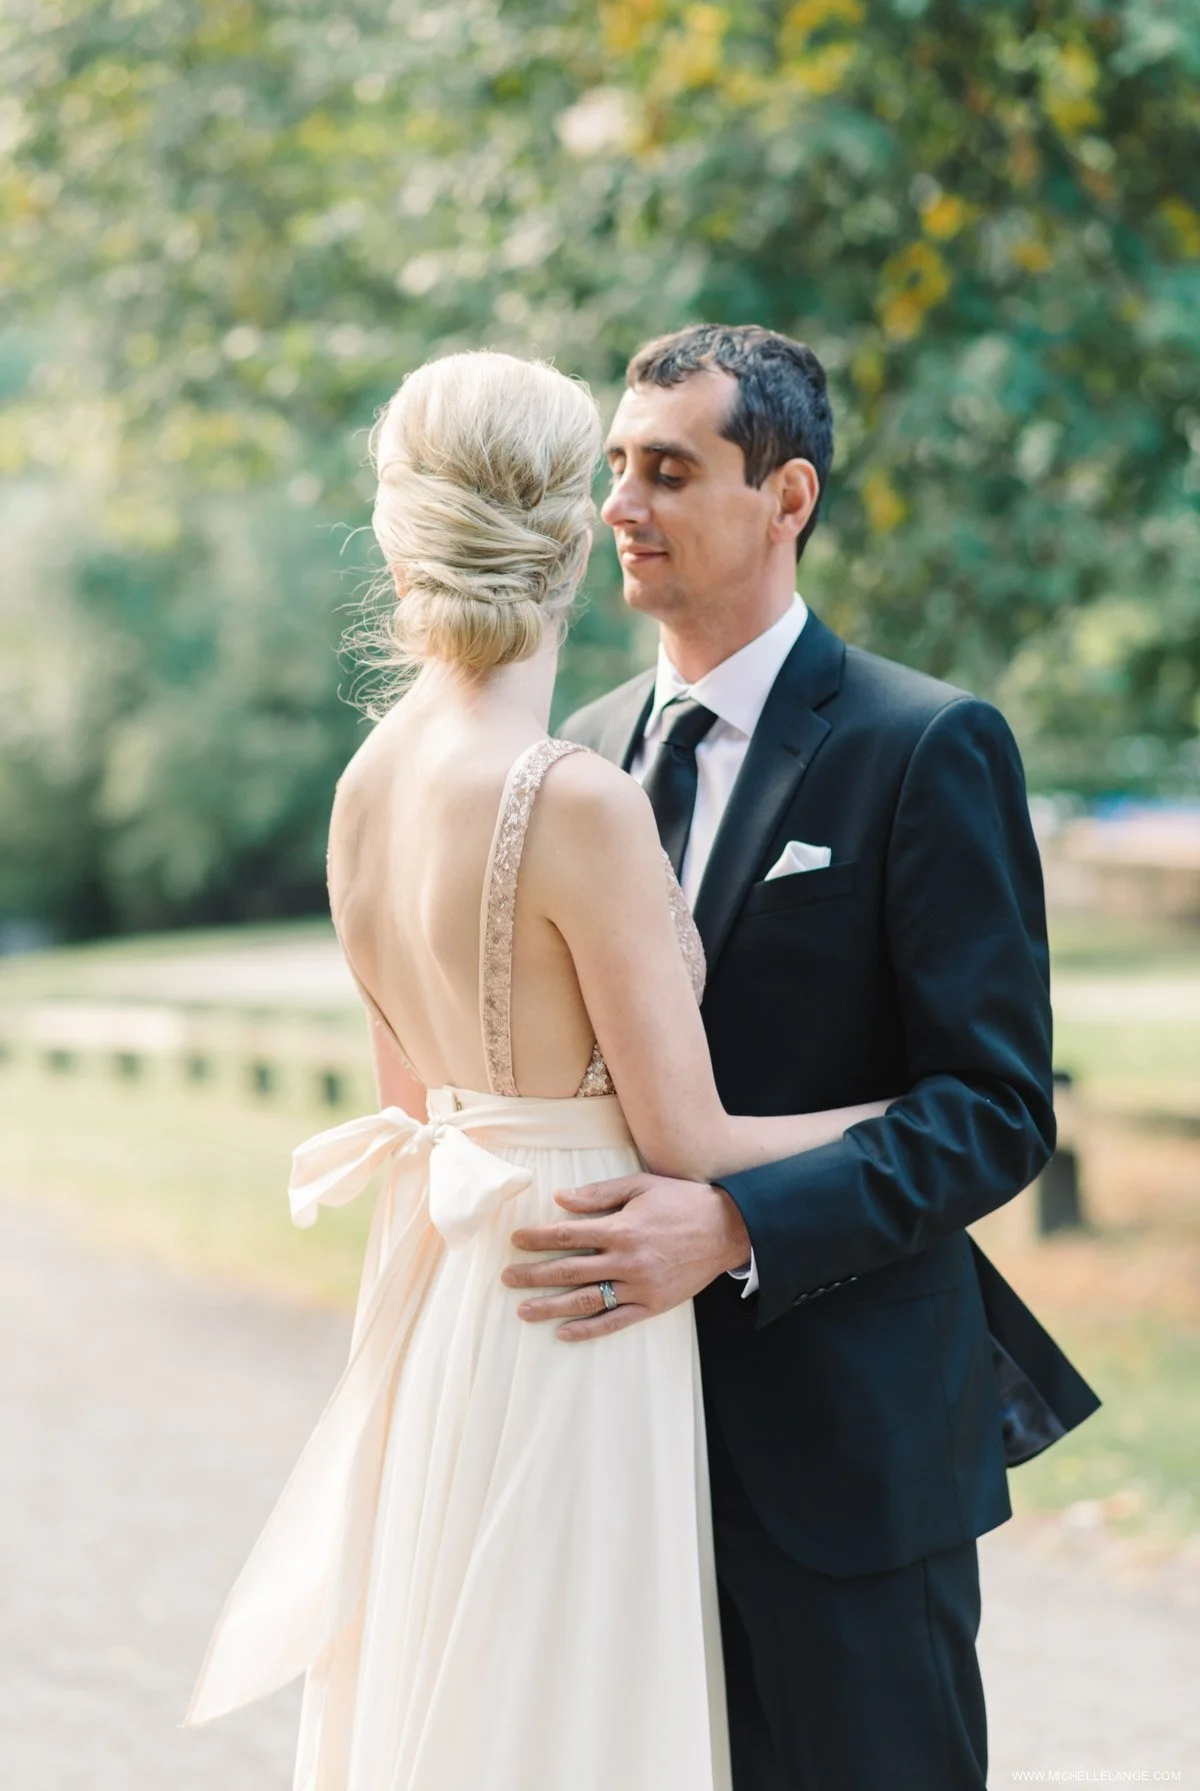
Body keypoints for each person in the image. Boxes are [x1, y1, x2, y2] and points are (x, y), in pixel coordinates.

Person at [182, 349, 898, 1791]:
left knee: (454, 1696)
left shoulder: (368, 780)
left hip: (446, 1302)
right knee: (570, 1711)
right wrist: (899, 1110)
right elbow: (685, 1137)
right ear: (572, 530)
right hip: (579, 1308)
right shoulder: (572, 796)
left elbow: (411, 1109)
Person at [505, 322, 1099, 1791]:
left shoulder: (925, 745)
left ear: (789, 498)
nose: (619, 508)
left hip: (849, 1459)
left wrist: (735, 1223)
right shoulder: (574, 754)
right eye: (613, 470)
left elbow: (994, 1109)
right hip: (617, 1444)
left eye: (668, 470)